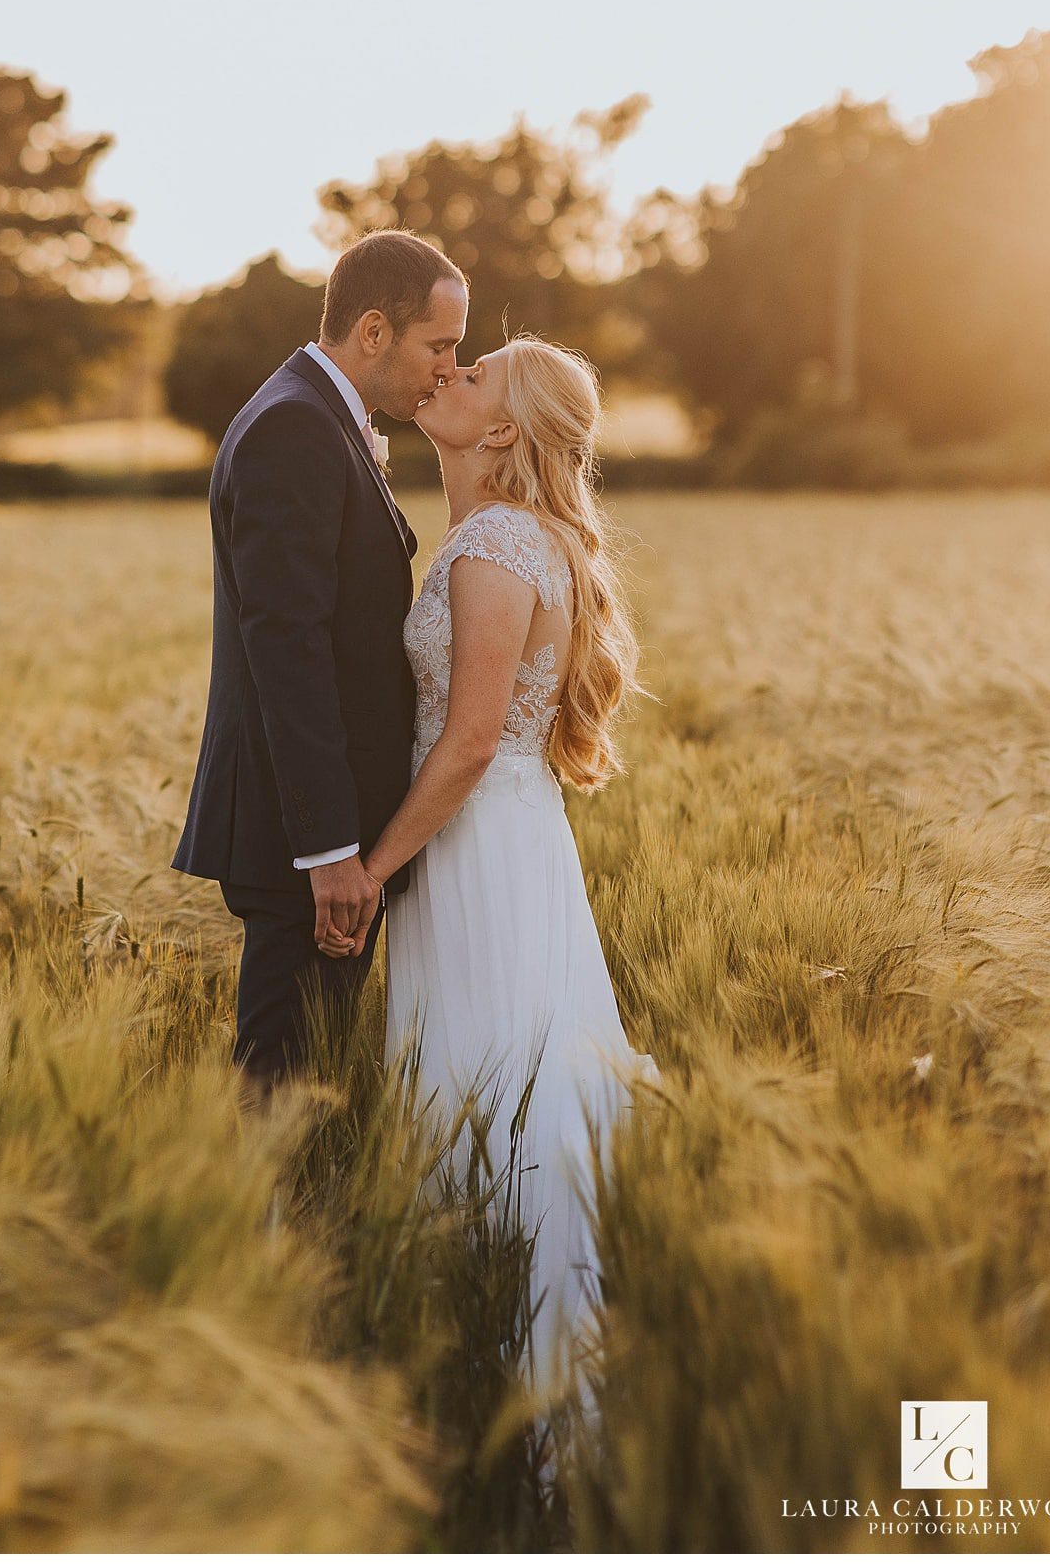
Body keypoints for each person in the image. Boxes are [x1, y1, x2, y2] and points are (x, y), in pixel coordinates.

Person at [319, 334, 659, 1392]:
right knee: (498, 1060)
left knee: (495, 1064)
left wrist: (369, 867)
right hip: (500, 831)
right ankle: (495, 1331)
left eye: (474, 375)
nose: (447, 374)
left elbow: (467, 740)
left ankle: (526, 1353)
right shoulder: (493, 534)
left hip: (476, 840)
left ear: (504, 427)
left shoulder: (497, 543)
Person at [169, 228, 468, 1087]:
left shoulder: (316, 414)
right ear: (373, 331)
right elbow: (287, 646)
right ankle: (269, 1223)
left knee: (309, 1077)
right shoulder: (295, 426)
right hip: (304, 838)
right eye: (437, 345)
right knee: (285, 1084)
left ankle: (288, 1216)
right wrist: (329, 848)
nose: (448, 368)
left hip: (325, 828)